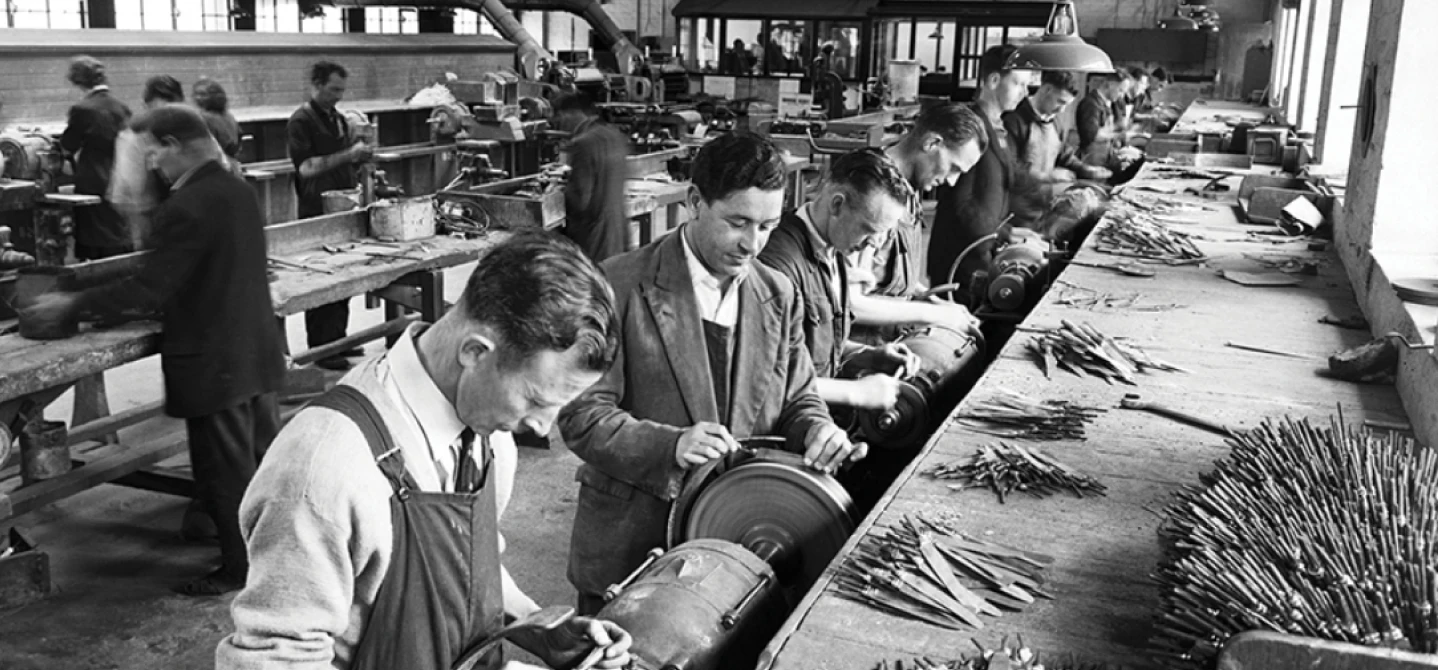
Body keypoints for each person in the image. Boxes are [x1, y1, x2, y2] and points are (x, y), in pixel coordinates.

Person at [218, 232, 633, 670]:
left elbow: (470, 569)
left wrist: (541, 628)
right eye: (534, 399)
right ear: (475, 351)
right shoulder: (323, 467)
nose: (543, 427)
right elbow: (276, 660)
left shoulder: (491, 439)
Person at [559, 132, 866, 616]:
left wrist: (818, 430)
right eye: (738, 222)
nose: (753, 243)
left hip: (739, 541)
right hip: (636, 544)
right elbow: (580, 414)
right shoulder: (617, 284)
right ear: (695, 202)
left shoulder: (777, 293)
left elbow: (796, 397)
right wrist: (668, 445)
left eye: (767, 225)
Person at [22, 105, 286, 596]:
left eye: (152, 154)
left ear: (173, 144)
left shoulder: (188, 205)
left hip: (216, 362)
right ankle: (270, 549)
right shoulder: (237, 189)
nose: (150, 166)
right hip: (254, 353)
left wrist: (70, 304)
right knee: (262, 464)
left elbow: (151, 288)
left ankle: (238, 570)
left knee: (226, 474)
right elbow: (185, 272)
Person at [758, 148, 921, 411]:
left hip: (814, 414)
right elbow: (764, 378)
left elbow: (814, 345)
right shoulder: (779, 267)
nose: (874, 244)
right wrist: (855, 391)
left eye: (883, 234)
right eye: (869, 229)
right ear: (837, 205)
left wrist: (868, 355)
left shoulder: (833, 249)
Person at [854, 101, 988, 300]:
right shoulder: (872, 191)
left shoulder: (909, 186)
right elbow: (852, 303)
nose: (952, 181)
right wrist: (928, 314)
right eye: (953, 167)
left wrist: (926, 296)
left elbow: (889, 276)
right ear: (932, 143)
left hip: (892, 326)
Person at [288, 60, 372, 371]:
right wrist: (347, 156)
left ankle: (339, 339)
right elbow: (306, 168)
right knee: (323, 278)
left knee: (344, 274)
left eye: (342, 91)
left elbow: (345, 160)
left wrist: (359, 161)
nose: (338, 96)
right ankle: (322, 349)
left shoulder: (336, 118)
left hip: (343, 206)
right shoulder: (301, 121)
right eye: (333, 89)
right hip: (316, 210)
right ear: (317, 84)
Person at [928, 45, 1028, 290]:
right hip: (959, 257)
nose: (1025, 93)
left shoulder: (1001, 128)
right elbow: (962, 205)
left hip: (984, 252)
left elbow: (999, 190)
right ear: (994, 80)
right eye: (1018, 84)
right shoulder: (969, 130)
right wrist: (1003, 235)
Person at [60, 55, 132, 260]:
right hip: (121, 175)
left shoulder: (82, 109)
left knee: (94, 235)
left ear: (78, 81)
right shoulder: (121, 107)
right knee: (118, 233)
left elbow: (68, 145)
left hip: (94, 178)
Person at [109, 75, 186, 250]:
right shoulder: (189, 130)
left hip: (151, 217)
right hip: (167, 216)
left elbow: (127, 187)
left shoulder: (133, 136)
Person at [552, 92, 630, 263]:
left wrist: (558, 191)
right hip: (617, 237)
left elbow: (580, 201)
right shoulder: (614, 136)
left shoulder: (583, 143)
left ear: (573, 113)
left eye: (559, 115)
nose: (559, 122)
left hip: (593, 242)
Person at [1002, 70, 1110, 184]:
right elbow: (1009, 166)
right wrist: (1045, 176)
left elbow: (1063, 155)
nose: (1062, 110)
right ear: (1047, 89)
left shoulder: (1056, 122)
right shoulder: (1014, 120)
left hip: (1045, 195)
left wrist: (1085, 169)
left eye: (1066, 105)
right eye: (1060, 102)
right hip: (1016, 198)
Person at [194, 77, 242, 161]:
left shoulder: (204, 117)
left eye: (203, 95)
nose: (198, 98)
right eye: (196, 94)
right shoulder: (228, 115)